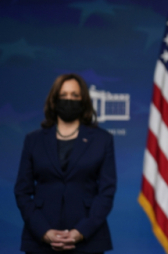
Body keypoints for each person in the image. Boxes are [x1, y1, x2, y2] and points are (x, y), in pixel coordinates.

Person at [14, 74, 116, 253]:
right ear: (54, 100)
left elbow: (106, 192)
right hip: (40, 242)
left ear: (83, 99)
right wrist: (43, 231)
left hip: (88, 241)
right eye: (64, 95)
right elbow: (22, 191)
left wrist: (81, 231)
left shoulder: (102, 140)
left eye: (75, 95)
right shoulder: (33, 140)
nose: (69, 99)